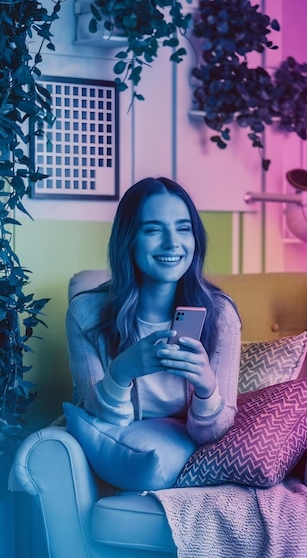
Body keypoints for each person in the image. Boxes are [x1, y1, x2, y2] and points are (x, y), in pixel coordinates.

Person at [66, 177, 241, 446]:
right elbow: (92, 424)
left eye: (183, 228)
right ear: (129, 240)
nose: (172, 243)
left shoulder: (220, 315)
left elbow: (213, 435)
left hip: (191, 452)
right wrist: (120, 373)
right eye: (153, 230)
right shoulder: (86, 313)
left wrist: (207, 389)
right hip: (120, 449)